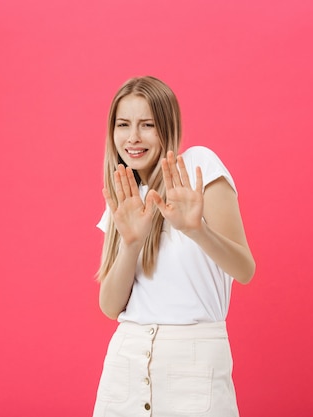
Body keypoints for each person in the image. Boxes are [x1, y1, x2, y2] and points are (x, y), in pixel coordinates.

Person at [93, 76, 256, 417]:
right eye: (123, 125)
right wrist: (132, 244)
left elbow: (244, 269)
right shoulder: (124, 196)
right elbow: (110, 306)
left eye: (147, 125)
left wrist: (196, 230)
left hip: (194, 360)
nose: (133, 137)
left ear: (167, 127)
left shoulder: (198, 166)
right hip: (126, 360)